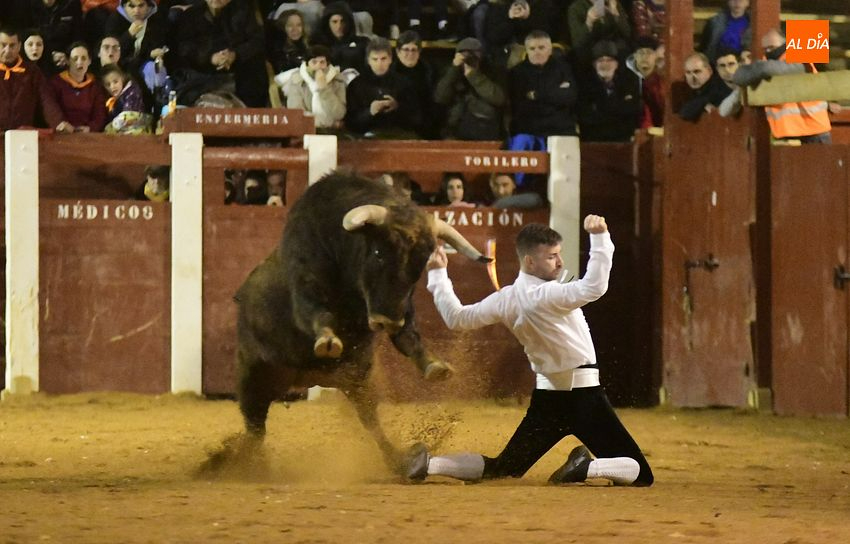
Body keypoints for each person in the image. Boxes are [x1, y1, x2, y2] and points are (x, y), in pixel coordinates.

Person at [405, 217, 654, 487]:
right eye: (552, 256)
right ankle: (587, 467)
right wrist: (600, 237)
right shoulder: (548, 295)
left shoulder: (506, 298)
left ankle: (429, 464)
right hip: (584, 398)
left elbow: (457, 318)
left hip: (548, 400)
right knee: (641, 473)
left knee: (504, 468)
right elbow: (595, 286)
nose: (559, 262)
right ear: (529, 262)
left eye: (558, 254)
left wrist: (438, 274)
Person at [731, 28, 831, 144]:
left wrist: (757, 69)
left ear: (785, 45)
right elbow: (738, 77)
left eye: (772, 47)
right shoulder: (764, 62)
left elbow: (768, 69)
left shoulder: (801, 58)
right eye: (766, 49)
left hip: (814, 131)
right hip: (786, 134)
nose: (769, 52)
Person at [507, 30, 577, 190]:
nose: (537, 52)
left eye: (541, 47)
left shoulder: (564, 68)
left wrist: (537, 95)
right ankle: (521, 190)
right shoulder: (517, 73)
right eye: (532, 49)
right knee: (520, 142)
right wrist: (555, 95)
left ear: (550, 49)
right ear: (526, 51)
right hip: (529, 128)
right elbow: (521, 106)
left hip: (560, 130)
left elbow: (570, 97)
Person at [173, 0, 268, 107]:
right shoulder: (191, 15)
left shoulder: (243, 11)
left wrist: (234, 55)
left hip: (239, 72)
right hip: (202, 76)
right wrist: (211, 57)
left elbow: (257, 41)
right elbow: (184, 48)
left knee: (255, 70)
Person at [344, 37, 423, 139]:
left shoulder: (404, 83)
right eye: (375, 59)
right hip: (367, 136)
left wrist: (397, 107)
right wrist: (370, 112)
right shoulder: (357, 85)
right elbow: (350, 123)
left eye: (383, 59)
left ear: (390, 59)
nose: (379, 64)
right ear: (368, 60)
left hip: (399, 135)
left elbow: (417, 119)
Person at [433, 36, 506, 141]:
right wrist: (454, 69)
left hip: (484, 129)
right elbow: (440, 97)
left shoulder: (493, 71)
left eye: (474, 55)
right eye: (465, 55)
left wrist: (474, 75)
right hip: (455, 129)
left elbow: (498, 98)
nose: (470, 59)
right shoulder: (450, 71)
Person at [0, 25, 70, 132]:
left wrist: (58, 122)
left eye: (12, 45)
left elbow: (46, 99)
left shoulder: (32, 71)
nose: (7, 50)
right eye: (3, 45)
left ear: (19, 46)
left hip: (23, 134)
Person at [576, 39, 642, 142]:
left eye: (609, 60)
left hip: (623, 140)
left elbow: (634, 111)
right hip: (593, 141)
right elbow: (586, 117)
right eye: (600, 60)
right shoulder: (584, 86)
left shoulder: (628, 84)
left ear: (616, 64)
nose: (605, 64)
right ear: (594, 65)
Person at [104, 0, 169, 91]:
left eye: (141, 6)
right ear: (124, 6)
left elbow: (157, 43)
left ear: (148, 6)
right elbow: (111, 53)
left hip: (143, 62)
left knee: (155, 69)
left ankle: (159, 101)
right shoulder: (115, 20)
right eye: (132, 6)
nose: (137, 11)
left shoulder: (155, 19)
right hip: (122, 65)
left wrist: (155, 53)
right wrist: (129, 34)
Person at [280, 44, 346, 131]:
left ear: (327, 64)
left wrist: (324, 89)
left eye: (322, 62)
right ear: (307, 64)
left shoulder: (337, 80)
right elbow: (297, 114)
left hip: (332, 132)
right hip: (304, 130)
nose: (318, 66)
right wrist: (328, 123)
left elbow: (339, 114)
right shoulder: (297, 80)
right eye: (314, 62)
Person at [48, 41, 108, 132]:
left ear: (89, 61)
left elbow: (100, 114)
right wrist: (60, 122)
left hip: (87, 136)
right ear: (68, 61)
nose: (79, 62)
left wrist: (90, 128)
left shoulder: (95, 86)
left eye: (84, 58)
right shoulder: (56, 83)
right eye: (75, 59)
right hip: (61, 133)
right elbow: (50, 107)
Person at [484, 0, 558, 69]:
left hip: (543, 43)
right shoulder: (500, 7)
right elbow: (495, 38)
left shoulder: (544, 4)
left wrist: (528, 15)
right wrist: (510, 17)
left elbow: (551, 31)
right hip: (515, 49)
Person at [392, 31, 437, 138]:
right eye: (406, 49)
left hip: (425, 125)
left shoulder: (429, 71)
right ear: (398, 51)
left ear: (419, 52)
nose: (410, 54)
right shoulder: (390, 72)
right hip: (397, 125)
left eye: (414, 50)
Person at [566, 0, 631, 65]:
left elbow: (627, 33)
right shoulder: (576, 8)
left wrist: (615, 14)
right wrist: (589, 22)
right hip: (590, 51)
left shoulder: (612, 3)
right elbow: (578, 43)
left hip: (616, 49)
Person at [312, 1, 369, 73]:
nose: (339, 26)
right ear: (327, 23)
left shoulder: (362, 43)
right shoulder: (317, 46)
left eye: (343, 21)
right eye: (334, 22)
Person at [677, 52, 731, 122]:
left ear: (710, 71)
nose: (693, 77)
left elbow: (685, 113)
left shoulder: (719, 88)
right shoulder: (691, 90)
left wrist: (703, 103)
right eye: (688, 72)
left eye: (697, 72)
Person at [625, 36, 664, 128]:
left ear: (656, 56)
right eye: (641, 53)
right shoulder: (626, 78)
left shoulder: (660, 81)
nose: (645, 57)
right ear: (635, 56)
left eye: (649, 53)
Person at [101, 62, 151, 134]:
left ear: (122, 78)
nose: (112, 87)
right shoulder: (111, 102)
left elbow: (129, 114)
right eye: (108, 84)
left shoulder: (133, 90)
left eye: (115, 82)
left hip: (138, 126)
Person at [268, 9, 309, 74]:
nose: (295, 29)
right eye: (290, 25)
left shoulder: (308, 45)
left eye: (299, 25)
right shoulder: (279, 52)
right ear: (282, 28)